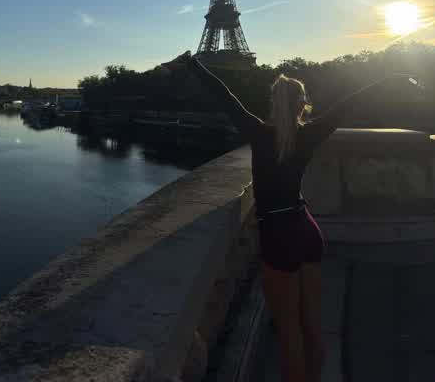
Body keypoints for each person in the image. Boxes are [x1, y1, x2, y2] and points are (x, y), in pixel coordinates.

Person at [161, 51, 429, 382]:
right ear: (303, 104)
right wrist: (393, 79)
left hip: (278, 232)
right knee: (312, 327)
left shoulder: (258, 132)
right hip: (306, 227)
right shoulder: (310, 134)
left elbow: (224, 95)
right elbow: (351, 102)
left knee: (290, 335)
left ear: (273, 104)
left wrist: (192, 64)